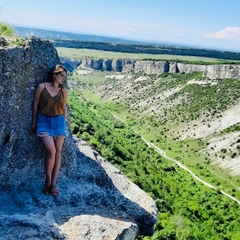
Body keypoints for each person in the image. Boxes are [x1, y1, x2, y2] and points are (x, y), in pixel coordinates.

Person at [31, 64, 68, 196]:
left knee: (58, 152)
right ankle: (47, 180)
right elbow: (35, 105)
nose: (63, 79)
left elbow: (64, 108)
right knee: (51, 151)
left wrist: (64, 122)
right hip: (44, 121)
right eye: (61, 75)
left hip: (59, 122)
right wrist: (34, 122)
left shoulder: (64, 91)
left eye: (64, 76)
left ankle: (53, 184)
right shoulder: (42, 87)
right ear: (54, 75)